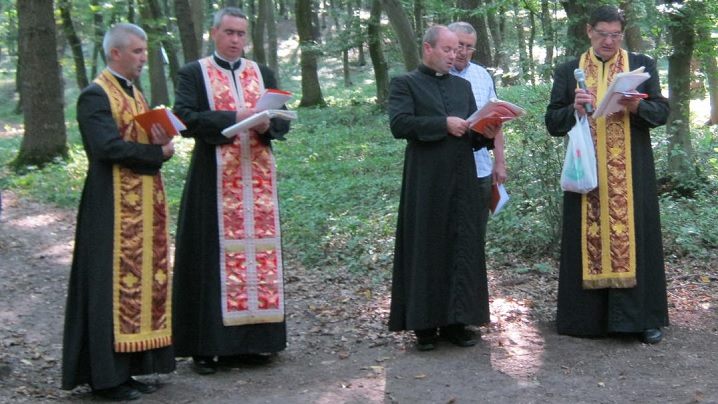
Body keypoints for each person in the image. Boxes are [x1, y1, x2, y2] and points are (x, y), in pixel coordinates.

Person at [172, 7, 291, 375]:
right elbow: (185, 119)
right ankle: (206, 347)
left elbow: (282, 122)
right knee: (210, 257)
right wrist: (233, 118)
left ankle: (255, 343)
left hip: (258, 181)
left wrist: (268, 124)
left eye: (241, 33)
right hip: (213, 178)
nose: (236, 39)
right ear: (214, 33)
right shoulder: (194, 72)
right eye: (229, 32)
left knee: (260, 259)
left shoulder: (262, 73)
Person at [62, 22, 176, 401]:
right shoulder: (95, 95)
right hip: (109, 205)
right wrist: (155, 153)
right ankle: (105, 378)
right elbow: (105, 149)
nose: (145, 58)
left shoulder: (135, 94)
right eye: (138, 52)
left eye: (145, 52)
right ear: (116, 53)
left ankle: (131, 369)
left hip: (143, 204)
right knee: (110, 286)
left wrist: (161, 140)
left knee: (141, 284)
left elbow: (137, 142)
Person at [545, 5, 670, 344]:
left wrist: (638, 106)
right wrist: (573, 108)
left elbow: (661, 111)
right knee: (587, 238)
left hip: (632, 172)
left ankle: (641, 319)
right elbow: (552, 122)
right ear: (589, 31)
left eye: (616, 35)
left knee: (636, 238)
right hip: (586, 171)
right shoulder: (569, 70)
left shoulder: (642, 66)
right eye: (603, 34)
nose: (609, 41)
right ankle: (586, 320)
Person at [387, 25, 497, 351]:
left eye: (457, 50)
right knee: (427, 246)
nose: (455, 55)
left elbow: (472, 135)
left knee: (461, 245)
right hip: (426, 180)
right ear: (428, 49)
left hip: (462, 178)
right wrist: (442, 124)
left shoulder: (463, 87)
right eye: (447, 50)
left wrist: (486, 132)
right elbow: (400, 125)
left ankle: (457, 322)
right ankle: (424, 326)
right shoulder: (405, 83)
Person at [447, 21, 506, 307]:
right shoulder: (437, 76)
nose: (463, 52)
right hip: (445, 171)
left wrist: (500, 163)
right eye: (459, 45)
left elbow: (496, 122)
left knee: (473, 239)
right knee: (445, 237)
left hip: (481, 168)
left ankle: (468, 307)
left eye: (469, 47)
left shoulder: (482, 75)